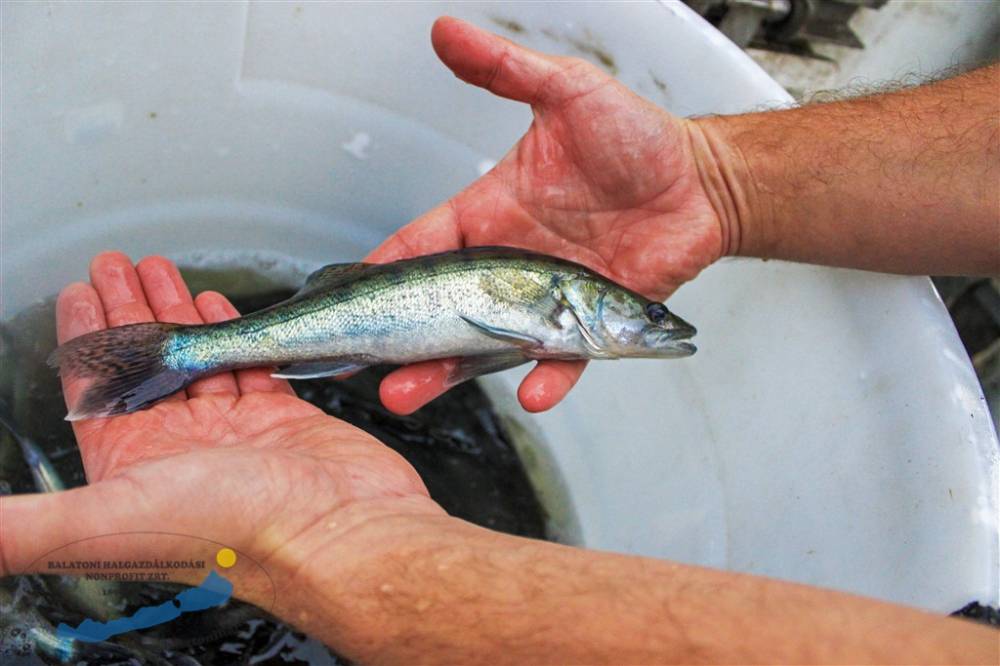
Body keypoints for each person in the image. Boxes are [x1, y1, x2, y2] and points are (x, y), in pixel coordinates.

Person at [1, 16, 997, 664]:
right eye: (642, 320)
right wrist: (714, 180)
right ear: (587, 314)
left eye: (644, 321)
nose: (652, 330)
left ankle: (162, 360)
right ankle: (167, 355)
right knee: (240, 347)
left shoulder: (569, 304)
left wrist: (338, 550)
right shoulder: (562, 300)